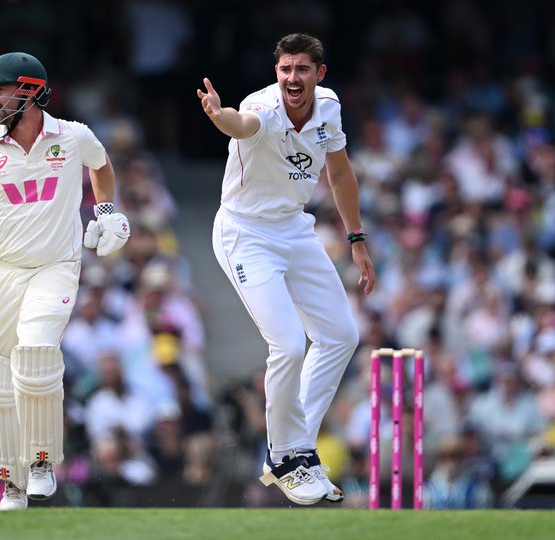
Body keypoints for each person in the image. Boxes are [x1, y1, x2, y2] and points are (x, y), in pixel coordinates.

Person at [0, 52, 130, 510]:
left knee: (36, 354)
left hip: (56, 266)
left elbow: (102, 164)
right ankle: (11, 483)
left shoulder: (73, 137)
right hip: (0, 275)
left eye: (0, 89)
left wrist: (107, 209)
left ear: (30, 91)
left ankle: (42, 461)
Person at [196, 32, 375, 506]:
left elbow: (339, 172)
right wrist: (219, 115)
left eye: (301, 69)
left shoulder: (329, 108)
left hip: (294, 228)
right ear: (276, 73)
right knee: (289, 344)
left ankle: (297, 450)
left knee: (341, 336)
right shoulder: (264, 107)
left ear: (320, 74)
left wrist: (356, 239)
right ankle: (283, 455)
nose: (292, 78)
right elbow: (241, 124)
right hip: (245, 234)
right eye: (284, 69)